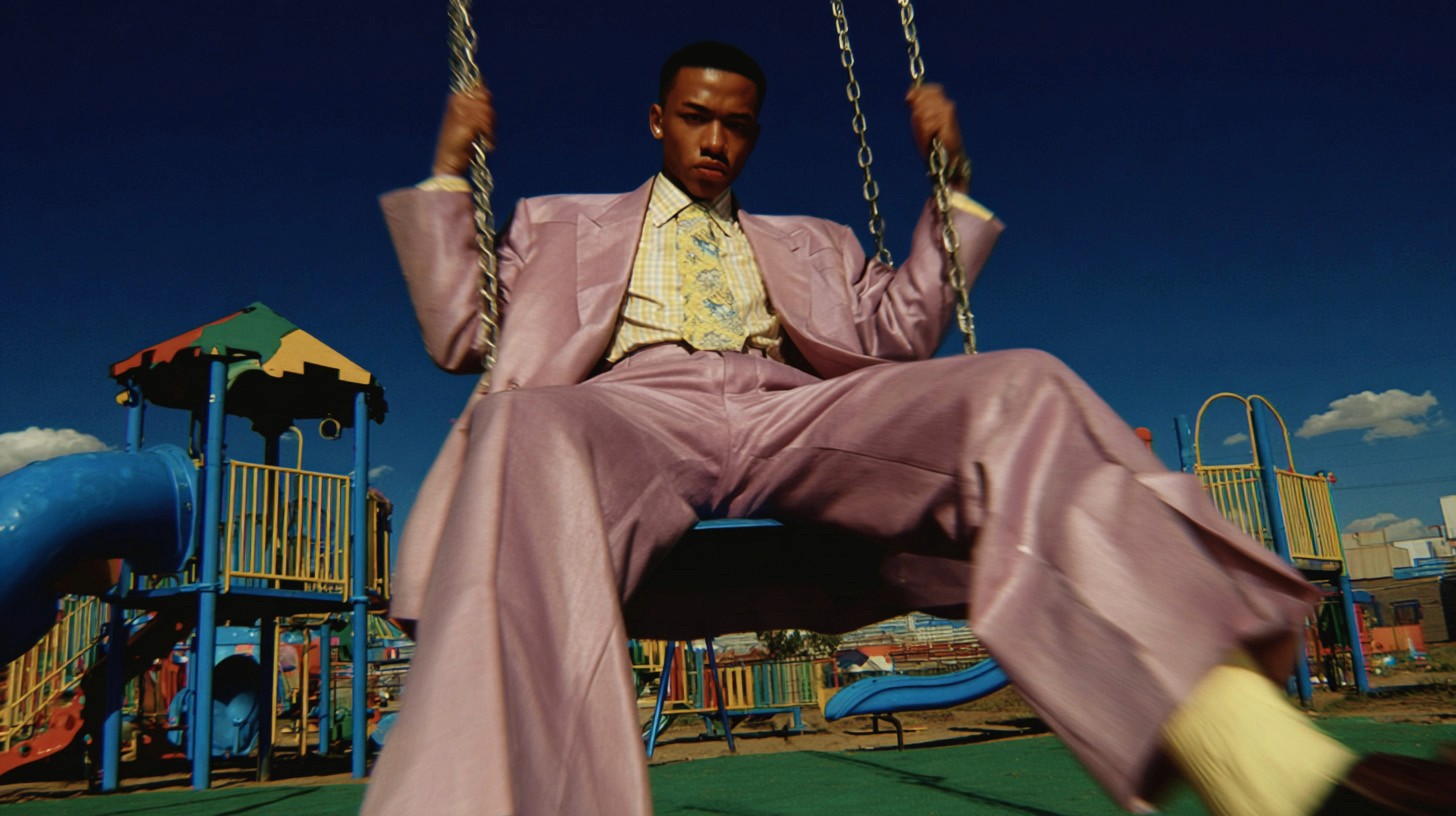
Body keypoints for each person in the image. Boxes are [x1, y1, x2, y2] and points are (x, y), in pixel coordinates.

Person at [362, 42, 1454, 816]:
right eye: (695, 117)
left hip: (795, 407)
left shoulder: (816, 240)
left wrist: (948, 182)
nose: (715, 140)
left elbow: (903, 330)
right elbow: (464, 335)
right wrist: (451, 169)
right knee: (519, 434)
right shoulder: (557, 222)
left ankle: (1260, 766)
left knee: (1018, 382)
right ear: (657, 119)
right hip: (624, 407)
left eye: (736, 123)